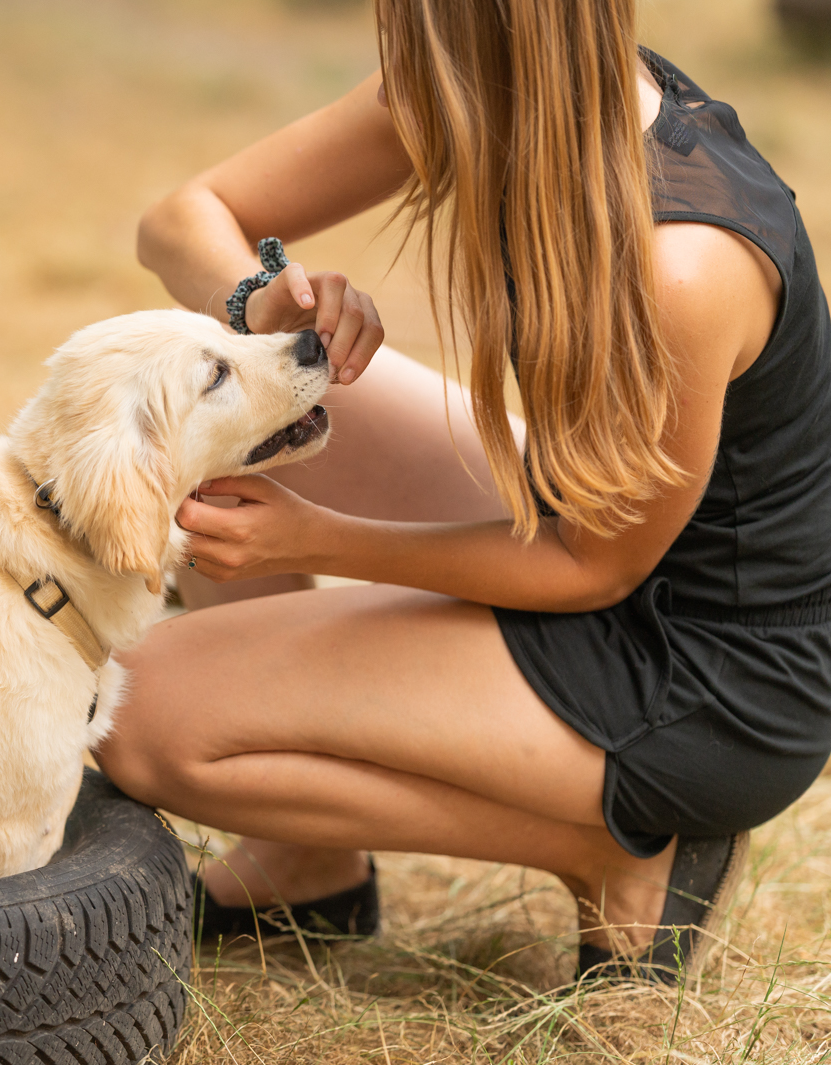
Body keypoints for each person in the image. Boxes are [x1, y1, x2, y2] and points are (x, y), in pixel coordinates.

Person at [93, 0, 831, 982]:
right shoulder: (483, 86)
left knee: (139, 718)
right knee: (220, 391)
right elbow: (178, 221)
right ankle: (303, 866)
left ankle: (619, 854)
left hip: (709, 672)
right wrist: (261, 301)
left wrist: (313, 540)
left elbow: (594, 566)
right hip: (591, 517)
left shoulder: (680, 262)